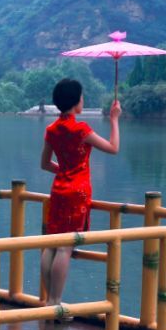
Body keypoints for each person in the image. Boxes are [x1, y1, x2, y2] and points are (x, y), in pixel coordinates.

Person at [39, 79, 121, 306]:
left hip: (58, 190)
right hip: (77, 193)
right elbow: (113, 148)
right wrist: (114, 119)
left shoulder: (52, 130)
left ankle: (49, 302)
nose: (83, 100)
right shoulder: (81, 129)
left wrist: (65, 171)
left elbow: (45, 164)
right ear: (76, 102)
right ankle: (56, 302)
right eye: (82, 97)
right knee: (65, 247)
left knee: (52, 244)